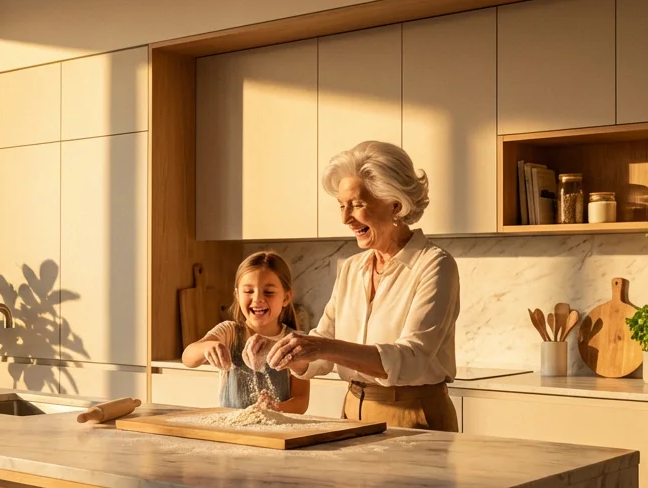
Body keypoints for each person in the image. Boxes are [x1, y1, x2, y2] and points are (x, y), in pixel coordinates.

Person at [267, 141, 460, 431]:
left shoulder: (435, 265)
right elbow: (323, 346)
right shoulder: (351, 268)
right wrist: (286, 353)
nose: (345, 218)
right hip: (351, 411)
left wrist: (320, 346)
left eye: (356, 205)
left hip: (414, 415)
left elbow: (411, 358)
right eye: (342, 206)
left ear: (395, 204)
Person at [182, 251, 310, 413]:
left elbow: (301, 401)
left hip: (276, 432)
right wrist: (207, 347)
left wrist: (273, 409)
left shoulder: (293, 342)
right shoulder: (229, 332)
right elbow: (188, 358)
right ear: (237, 295)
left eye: (269, 292)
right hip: (231, 432)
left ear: (286, 297)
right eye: (248, 291)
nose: (257, 299)